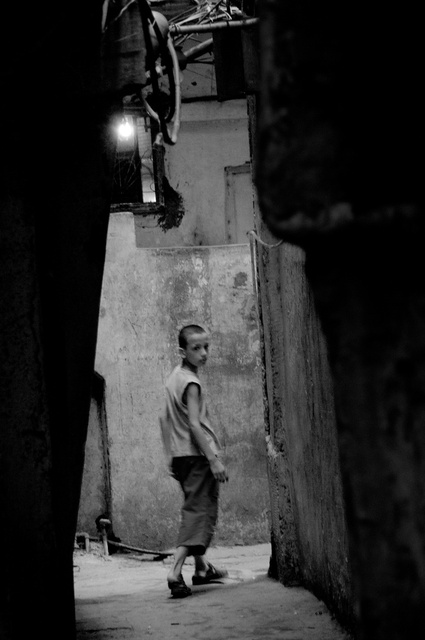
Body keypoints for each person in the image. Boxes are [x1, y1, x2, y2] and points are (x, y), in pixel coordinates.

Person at [159, 324, 229, 598]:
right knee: (198, 514)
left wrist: (169, 455)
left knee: (194, 507)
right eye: (196, 348)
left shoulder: (173, 377)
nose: (204, 353)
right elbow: (195, 425)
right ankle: (174, 572)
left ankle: (201, 570)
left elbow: (163, 419)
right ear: (182, 351)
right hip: (198, 456)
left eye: (206, 347)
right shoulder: (192, 383)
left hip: (180, 456)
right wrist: (213, 460)